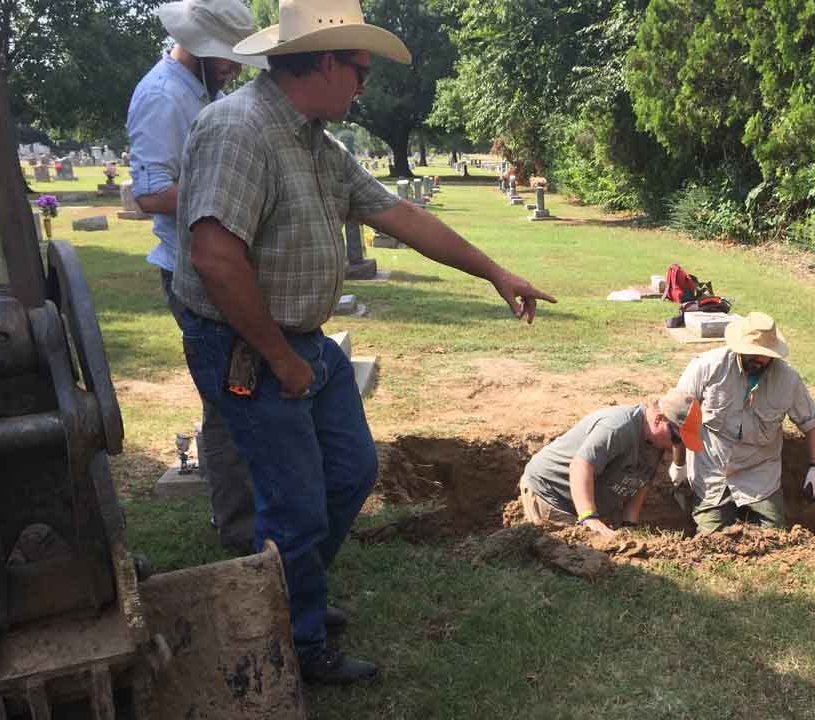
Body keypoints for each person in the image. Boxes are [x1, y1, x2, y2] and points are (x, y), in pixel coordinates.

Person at [173, 0, 555, 685]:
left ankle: (291, 595)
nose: (363, 86)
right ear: (322, 63)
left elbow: (402, 215)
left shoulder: (317, 143)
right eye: (359, 70)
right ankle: (298, 643)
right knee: (292, 501)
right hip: (249, 345)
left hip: (304, 340)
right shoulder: (239, 130)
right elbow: (214, 259)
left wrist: (495, 272)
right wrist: (282, 360)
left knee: (350, 472)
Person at [126, 0, 266, 556]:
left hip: (220, 265)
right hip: (193, 271)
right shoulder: (164, 96)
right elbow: (151, 193)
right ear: (199, 49)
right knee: (230, 403)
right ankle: (241, 535)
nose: (232, 68)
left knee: (237, 397)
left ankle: (243, 516)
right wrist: (236, 186)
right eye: (225, 58)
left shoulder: (199, 88)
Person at [670, 312, 815, 534]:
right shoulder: (708, 366)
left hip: (760, 475)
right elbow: (678, 412)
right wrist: (679, 464)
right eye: (752, 353)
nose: (758, 360)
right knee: (713, 540)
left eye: (764, 355)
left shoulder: (787, 379)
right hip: (712, 472)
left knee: (775, 538)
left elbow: (811, 423)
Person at [518, 389, 703, 538]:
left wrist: (629, 525)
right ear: (659, 419)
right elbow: (581, 465)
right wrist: (589, 518)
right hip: (552, 494)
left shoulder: (656, 442)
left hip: (582, 505)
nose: (675, 446)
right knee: (579, 560)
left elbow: (640, 481)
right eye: (677, 439)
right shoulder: (618, 427)